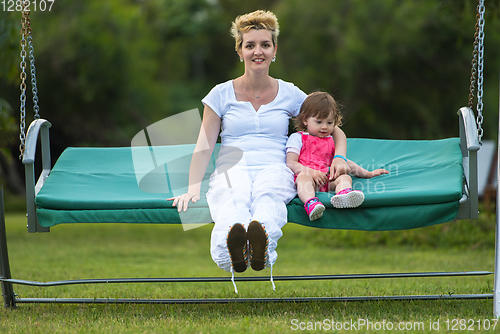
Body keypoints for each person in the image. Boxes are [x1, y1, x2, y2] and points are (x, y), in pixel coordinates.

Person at [168, 10, 350, 292]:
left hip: (275, 166)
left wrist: (339, 156)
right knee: (234, 196)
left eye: (265, 44)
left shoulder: (290, 93)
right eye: (250, 45)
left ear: (274, 50)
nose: (258, 51)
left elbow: (332, 126)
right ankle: (232, 250)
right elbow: (204, 145)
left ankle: (260, 243)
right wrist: (193, 187)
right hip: (232, 166)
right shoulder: (220, 94)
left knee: (269, 196)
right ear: (239, 50)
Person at [286, 91, 389, 221]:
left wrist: (368, 174)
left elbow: (345, 162)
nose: (324, 127)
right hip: (309, 181)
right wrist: (311, 172)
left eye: (329, 123)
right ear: (305, 120)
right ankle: (311, 203)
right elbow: (291, 163)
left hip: (328, 181)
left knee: (345, 177)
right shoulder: (297, 138)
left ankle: (344, 195)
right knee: (303, 177)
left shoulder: (331, 140)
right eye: (319, 122)